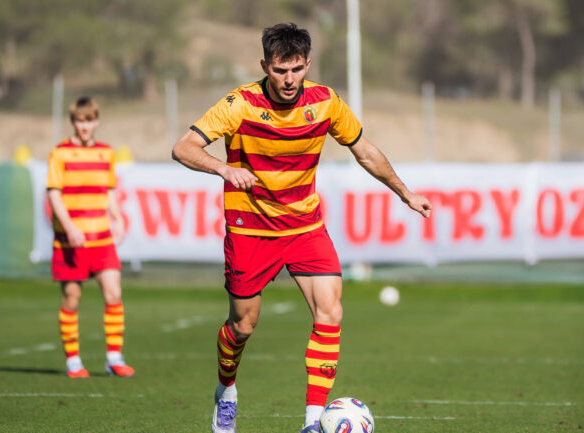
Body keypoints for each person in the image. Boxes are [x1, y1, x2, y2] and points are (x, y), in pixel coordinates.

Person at [172, 23, 432, 433]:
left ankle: (312, 422)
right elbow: (183, 147)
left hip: (304, 226)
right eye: (280, 70)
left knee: (331, 311)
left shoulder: (326, 102)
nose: (289, 79)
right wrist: (224, 168)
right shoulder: (239, 104)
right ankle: (226, 391)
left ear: (307, 64)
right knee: (242, 325)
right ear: (265, 66)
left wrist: (405, 193)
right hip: (250, 228)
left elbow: (364, 151)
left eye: (296, 69)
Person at [47, 96, 135, 378]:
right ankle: (73, 361)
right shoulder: (59, 153)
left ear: (96, 121)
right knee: (71, 298)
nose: (85, 127)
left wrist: (118, 219)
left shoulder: (106, 153)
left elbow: (108, 191)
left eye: (89, 121)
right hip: (70, 241)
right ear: (73, 122)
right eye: (79, 121)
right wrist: (69, 227)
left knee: (114, 293)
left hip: (101, 239)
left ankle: (114, 359)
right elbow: (53, 194)